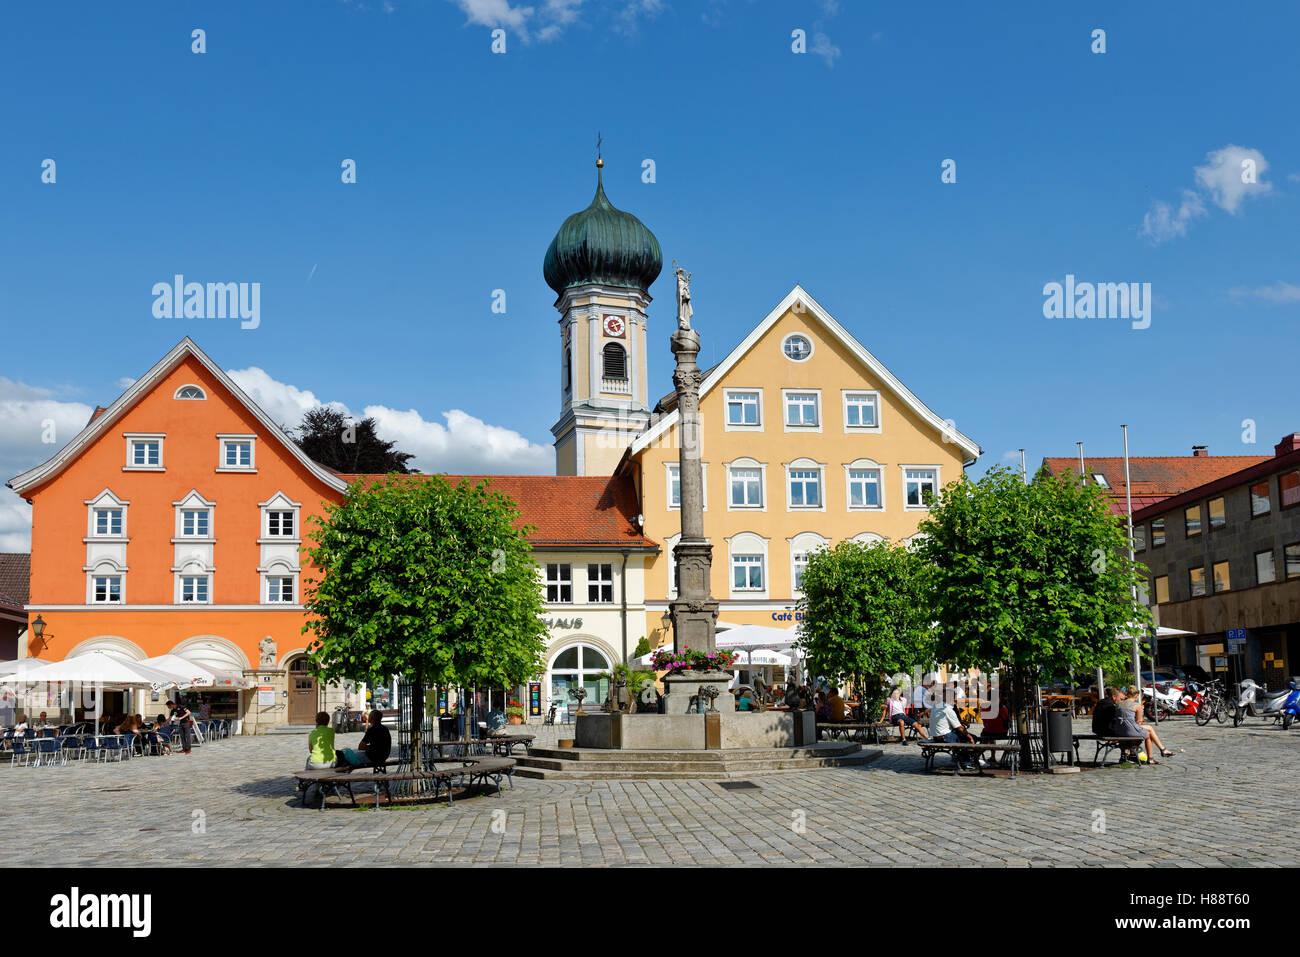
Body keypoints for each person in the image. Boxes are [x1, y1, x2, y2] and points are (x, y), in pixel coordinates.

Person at [1112, 688, 1173, 764]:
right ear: (1137, 695)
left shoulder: (1119, 704)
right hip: (1129, 731)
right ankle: (1155, 755)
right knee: (1149, 731)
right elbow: (1138, 722)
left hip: (1119, 731)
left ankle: (1162, 750)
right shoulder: (1137, 706)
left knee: (1148, 729)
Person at [929, 696, 984, 770]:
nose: (955, 701)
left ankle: (963, 758)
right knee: (968, 739)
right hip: (945, 737)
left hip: (936, 737)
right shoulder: (947, 709)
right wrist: (970, 737)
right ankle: (966, 763)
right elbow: (960, 728)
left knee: (967, 736)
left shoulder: (936, 707)